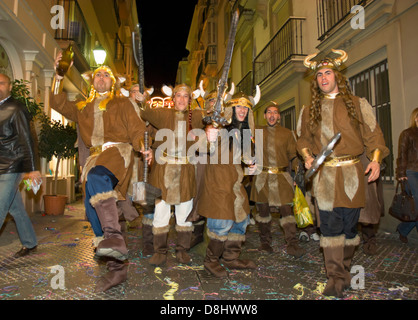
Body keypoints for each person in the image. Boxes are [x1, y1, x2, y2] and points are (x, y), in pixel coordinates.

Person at [50, 54, 151, 292]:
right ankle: (117, 268)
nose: (102, 78)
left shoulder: (122, 103)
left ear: (113, 82)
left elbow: (137, 129)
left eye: (107, 75)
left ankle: (114, 237)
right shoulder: (82, 106)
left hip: (118, 152)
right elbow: (57, 103)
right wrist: (58, 77)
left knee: (97, 178)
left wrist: (143, 145)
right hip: (93, 159)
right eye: (98, 74)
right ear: (92, 81)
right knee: (91, 209)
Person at [297, 49, 389, 298]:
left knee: (349, 229)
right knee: (329, 228)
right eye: (319, 75)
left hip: (352, 175)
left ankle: (345, 271)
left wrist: (376, 160)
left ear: (337, 76)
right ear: (315, 81)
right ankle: (335, 277)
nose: (323, 78)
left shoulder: (358, 104)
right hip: (325, 177)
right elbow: (303, 139)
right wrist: (307, 156)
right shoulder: (309, 111)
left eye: (328, 73)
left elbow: (374, 135)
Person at [139, 83, 202, 266]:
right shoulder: (164, 114)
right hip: (163, 171)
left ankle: (182, 251)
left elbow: (212, 116)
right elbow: (146, 113)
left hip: (186, 172)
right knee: (161, 212)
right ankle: (160, 252)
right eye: (178, 96)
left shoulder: (196, 117)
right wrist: (145, 101)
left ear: (190, 100)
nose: (182, 99)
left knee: (184, 214)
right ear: (172, 98)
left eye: (185, 96)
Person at [199, 89, 260, 278]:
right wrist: (209, 136)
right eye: (238, 107)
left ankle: (230, 258)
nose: (242, 110)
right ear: (231, 110)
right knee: (221, 224)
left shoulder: (243, 133)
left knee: (241, 220)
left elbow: (241, 154)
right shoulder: (221, 127)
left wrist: (250, 163)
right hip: (218, 184)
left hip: (235, 183)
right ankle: (211, 261)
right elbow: (206, 146)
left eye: (245, 108)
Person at [250, 103, 305, 257]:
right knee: (263, 213)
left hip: (282, 178)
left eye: (275, 112)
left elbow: (293, 156)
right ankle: (265, 243)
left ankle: (292, 245)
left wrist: (296, 174)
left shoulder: (287, 134)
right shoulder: (257, 131)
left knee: (287, 212)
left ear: (279, 116)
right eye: (269, 112)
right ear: (265, 115)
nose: (272, 115)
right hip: (262, 178)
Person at [0, 73, 41, 258]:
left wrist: (32, 168)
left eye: (1, 83)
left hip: (12, 166)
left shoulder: (17, 108)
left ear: (9, 87)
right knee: (14, 207)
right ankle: (30, 242)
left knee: (0, 206)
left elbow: (27, 139)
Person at [128, 84, 158, 256]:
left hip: (144, 164)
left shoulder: (150, 115)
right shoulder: (121, 112)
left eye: (141, 92)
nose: (137, 94)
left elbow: (157, 134)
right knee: (119, 203)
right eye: (133, 91)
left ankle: (148, 242)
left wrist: (151, 146)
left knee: (147, 205)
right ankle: (115, 239)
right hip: (124, 165)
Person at [395, 107, 418, 243]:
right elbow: (402, 154)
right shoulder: (407, 134)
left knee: (415, 206)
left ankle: (403, 229)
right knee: (416, 201)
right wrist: (401, 173)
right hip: (411, 172)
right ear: (415, 118)